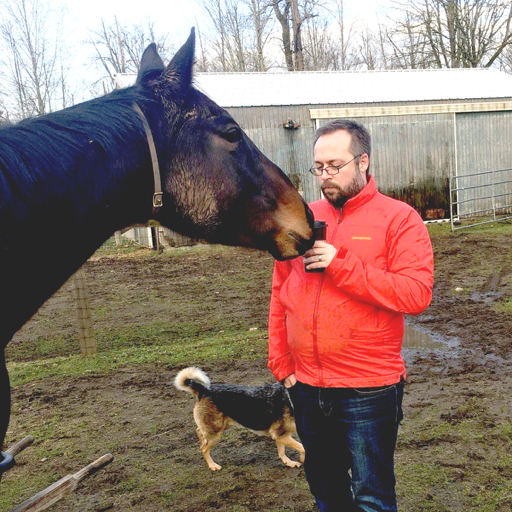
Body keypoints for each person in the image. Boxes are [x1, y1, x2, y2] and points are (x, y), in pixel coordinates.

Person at [267, 119, 434, 512]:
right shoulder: (301, 217)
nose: (325, 177)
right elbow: (280, 293)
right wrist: (280, 360)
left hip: (368, 388)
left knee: (372, 496)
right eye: (318, 167)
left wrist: (341, 265)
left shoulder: (399, 219)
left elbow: (416, 293)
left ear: (363, 161)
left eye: (334, 166)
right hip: (306, 387)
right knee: (326, 493)